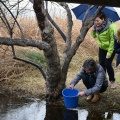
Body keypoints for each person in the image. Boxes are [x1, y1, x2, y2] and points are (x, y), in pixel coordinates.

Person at [91, 12, 118, 89]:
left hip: (111, 48)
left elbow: (113, 41)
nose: (96, 22)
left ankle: (112, 81)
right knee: (101, 64)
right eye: (95, 21)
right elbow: (94, 36)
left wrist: (109, 53)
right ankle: (103, 80)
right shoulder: (97, 27)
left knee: (107, 64)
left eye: (98, 20)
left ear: (103, 19)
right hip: (102, 48)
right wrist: (93, 30)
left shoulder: (111, 27)